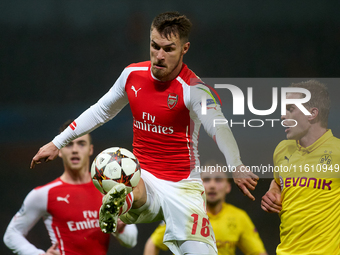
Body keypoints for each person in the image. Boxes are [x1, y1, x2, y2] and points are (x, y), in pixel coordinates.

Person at [30, 12, 258, 255]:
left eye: (168, 49)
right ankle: (119, 202)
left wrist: (236, 163)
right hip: (143, 175)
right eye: (154, 46)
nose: (159, 56)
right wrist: (57, 143)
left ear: (184, 49)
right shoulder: (132, 75)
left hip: (182, 186)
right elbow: (101, 111)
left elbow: (218, 126)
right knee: (120, 167)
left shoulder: (195, 89)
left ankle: (121, 202)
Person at [4, 120, 137, 255]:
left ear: (90, 149)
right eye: (68, 144)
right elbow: (11, 234)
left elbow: (131, 241)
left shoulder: (108, 189)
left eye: (81, 144)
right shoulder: (44, 194)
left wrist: (119, 228)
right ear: (60, 150)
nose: (74, 150)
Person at [261, 80, 340, 254]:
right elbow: (278, 182)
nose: (282, 116)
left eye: (290, 109)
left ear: (312, 113)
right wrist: (274, 190)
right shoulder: (282, 149)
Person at [143, 167, 267, 255]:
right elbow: (153, 243)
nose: (212, 185)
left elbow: (258, 252)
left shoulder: (239, 217)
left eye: (218, 180)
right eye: (207, 180)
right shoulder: (183, 213)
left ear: (228, 186)